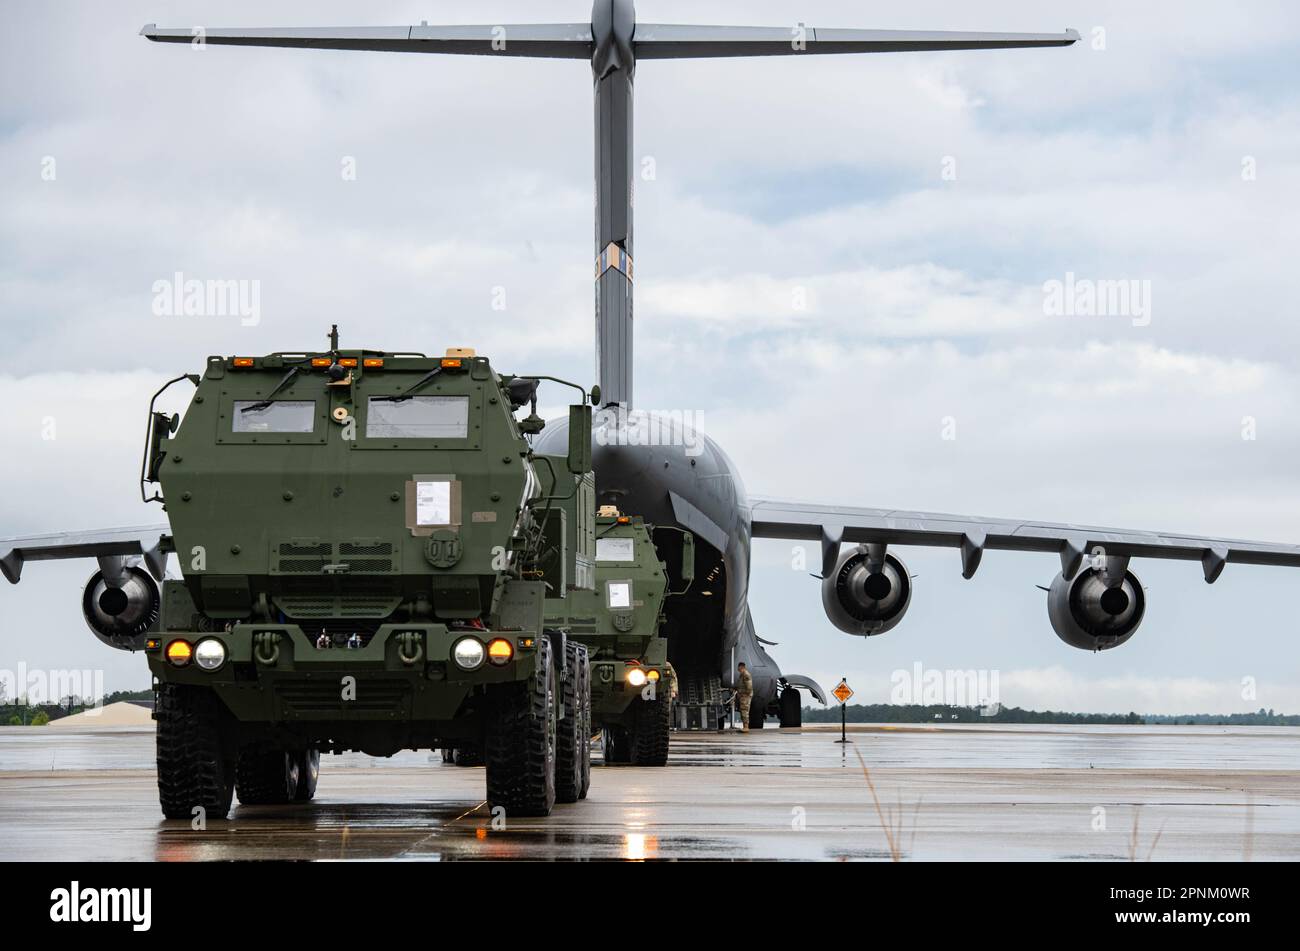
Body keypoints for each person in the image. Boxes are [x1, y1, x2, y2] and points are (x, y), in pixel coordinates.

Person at [735, 661, 753, 733]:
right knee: (743, 711)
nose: (738, 669)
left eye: (738, 667)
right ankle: (744, 727)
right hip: (742, 696)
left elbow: (749, 686)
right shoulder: (742, 675)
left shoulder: (746, 674)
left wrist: (746, 694)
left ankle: (746, 727)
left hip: (745, 696)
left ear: (741, 667)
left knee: (745, 711)